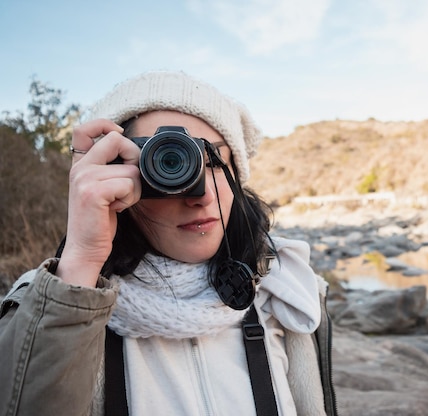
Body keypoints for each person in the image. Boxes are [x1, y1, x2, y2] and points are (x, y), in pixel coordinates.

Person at [0, 71, 336, 416]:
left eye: (215, 162)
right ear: (115, 178)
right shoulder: (45, 306)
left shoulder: (288, 294)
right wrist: (82, 262)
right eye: (167, 165)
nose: (200, 195)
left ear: (237, 172)